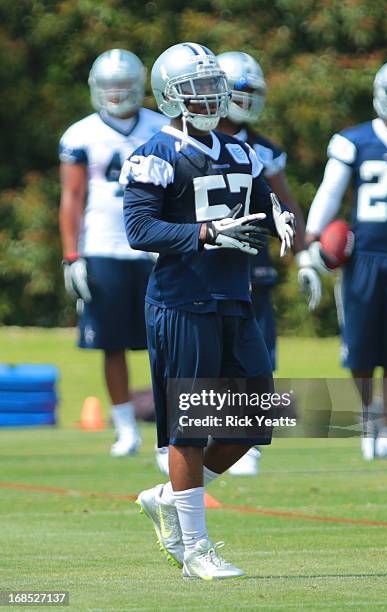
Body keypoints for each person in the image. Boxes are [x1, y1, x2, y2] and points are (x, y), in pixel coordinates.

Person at [121, 42, 295, 580]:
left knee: (256, 415)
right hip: (182, 302)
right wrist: (207, 231)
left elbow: (263, 200)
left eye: (212, 84)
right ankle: (194, 550)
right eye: (195, 86)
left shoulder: (242, 152)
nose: (210, 95)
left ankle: (170, 496)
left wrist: (278, 217)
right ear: (171, 94)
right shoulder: (155, 153)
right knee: (191, 427)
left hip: (235, 298)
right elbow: (140, 230)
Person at [305, 59, 387, 461]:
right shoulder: (355, 141)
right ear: (381, 96)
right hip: (364, 256)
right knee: (361, 347)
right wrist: (312, 241)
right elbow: (330, 193)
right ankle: (368, 419)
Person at [216, 50, 322, 476]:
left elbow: (284, 205)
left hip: (253, 263)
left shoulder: (264, 149)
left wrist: (305, 256)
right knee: (206, 354)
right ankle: (201, 434)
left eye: (250, 91)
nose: (244, 98)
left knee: (255, 352)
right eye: (237, 89)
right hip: (202, 263)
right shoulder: (189, 142)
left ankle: (243, 438)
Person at [59, 49, 168, 457]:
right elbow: (72, 196)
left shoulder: (161, 128)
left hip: (155, 248)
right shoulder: (80, 134)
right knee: (111, 344)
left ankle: (166, 427)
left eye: (124, 85)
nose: (117, 94)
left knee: (166, 342)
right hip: (103, 246)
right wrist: (72, 255)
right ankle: (125, 427)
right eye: (110, 86)